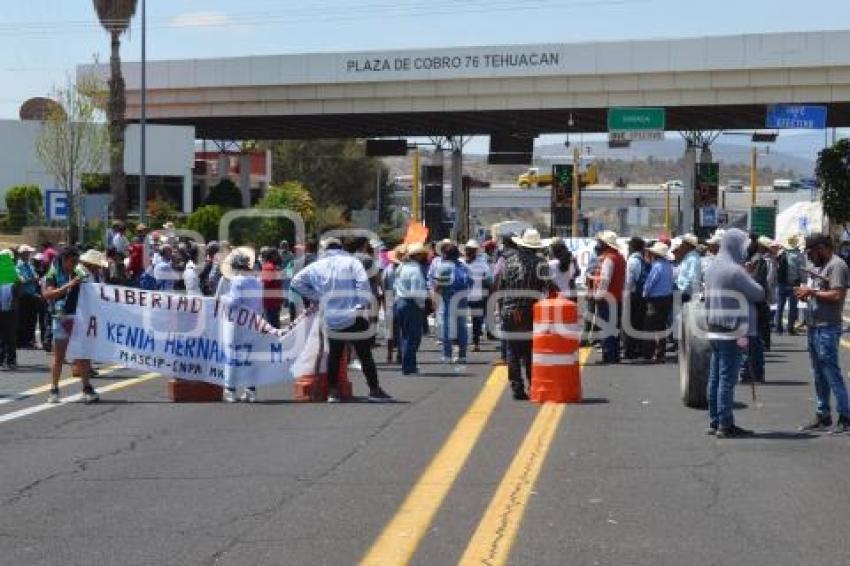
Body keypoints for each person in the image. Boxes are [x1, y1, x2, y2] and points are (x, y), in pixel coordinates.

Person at [290, 238, 392, 403]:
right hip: (353, 314)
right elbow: (363, 286)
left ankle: (333, 391)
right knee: (365, 355)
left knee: (334, 355)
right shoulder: (352, 263)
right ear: (341, 247)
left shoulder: (317, 266)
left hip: (331, 315)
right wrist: (361, 304)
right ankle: (374, 389)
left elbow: (296, 282)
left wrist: (317, 297)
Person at [703, 228, 764, 438]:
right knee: (727, 379)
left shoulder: (713, 267)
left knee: (715, 377)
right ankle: (725, 425)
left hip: (713, 327)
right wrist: (748, 274)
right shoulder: (735, 270)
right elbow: (758, 293)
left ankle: (715, 421)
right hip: (731, 328)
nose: (745, 251)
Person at [796, 234, 850, 433]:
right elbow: (821, 292)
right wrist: (807, 293)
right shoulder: (822, 266)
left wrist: (811, 293)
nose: (810, 256)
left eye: (811, 252)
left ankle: (845, 416)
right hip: (815, 327)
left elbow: (837, 295)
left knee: (831, 373)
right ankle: (823, 414)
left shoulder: (837, 266)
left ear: (821, 247)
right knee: (819, 374)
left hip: (827, 327)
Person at [498, 229, 550, 400]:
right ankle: (533, 384)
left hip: (509, 310)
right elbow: (547, 288)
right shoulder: (541, 263)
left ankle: (517, 388)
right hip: (529, 311)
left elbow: (501, 287)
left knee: (513, 350)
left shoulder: (509, 262)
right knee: (529, 350)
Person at [43, 247, 99, 404]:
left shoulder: (80, 272)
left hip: (79, 317)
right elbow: (48, 294)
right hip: (62, 318)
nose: (75, 265)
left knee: (82, 354)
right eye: (72, 261)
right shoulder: (53, 273)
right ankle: (54, 389)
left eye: (77, 261)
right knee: (59, 356)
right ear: (64, 259)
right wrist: (69, 285)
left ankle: (86, 388)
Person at [588, 231, 626, 364]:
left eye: (600, 243)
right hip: (617, 297)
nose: (597, 245)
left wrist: (597, 296)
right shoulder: (620, 257)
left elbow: (605, 280)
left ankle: (609, 355)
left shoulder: (608, 258)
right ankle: (614, 355)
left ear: (605, 244)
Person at [393, 243, 429, 375]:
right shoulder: (415, 270)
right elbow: (417, 291)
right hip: (412, 304)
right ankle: (409, 368)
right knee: (413, 337)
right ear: (418, 255)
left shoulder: (402, 267)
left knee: (406, 336)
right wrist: (421, 305)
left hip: (401, 302)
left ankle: (409, 365)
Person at [435, 242, 473, 366]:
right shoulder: (464, 266)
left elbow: (438, 286)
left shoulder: (444, 267)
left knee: (447, 327)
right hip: (462, 299)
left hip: (448, 299)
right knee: (462, 327)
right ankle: (462, 355)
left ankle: (447, 355)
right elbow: (471, 283)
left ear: (446, 255)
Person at [739, 235, 770, 382]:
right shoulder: (754, 260)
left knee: (751, 340)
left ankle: (749, 372)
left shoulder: (758, 261)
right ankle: (756, 372)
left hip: (755, 304)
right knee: (755, 341)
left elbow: (755, 284)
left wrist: (746, 274)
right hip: (756, 303)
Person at [642, 242, 674, 363]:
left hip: (655, 299)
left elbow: (650, 283)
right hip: (666, 298)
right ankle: (660, 352)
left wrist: (645, 294)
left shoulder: (657, 266)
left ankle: (649, 353)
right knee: (661, 326)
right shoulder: (668, 266)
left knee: (650, 326)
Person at [464, 239, 493, 352]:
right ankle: (474, 343)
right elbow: (489, 279)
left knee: (473, 321)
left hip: (467, 296)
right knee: (476, 320)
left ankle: (472, 343)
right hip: (475, 295)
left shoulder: (461, 263)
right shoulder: (482, 264)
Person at [623, 237, 649, 360]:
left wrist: (625, 294)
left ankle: (629, 351)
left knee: (630, 323)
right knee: (638, 323)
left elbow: (629, 280)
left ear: (633, 247)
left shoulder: (632, 261)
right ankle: (638, 348)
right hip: (641, 295)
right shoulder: (642, 259)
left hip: (633, 295)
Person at [775, 236, 803, 334]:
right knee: (793, 307)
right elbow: (801, 270)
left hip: (782, 282)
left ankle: (778, 328)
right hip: (794, 283)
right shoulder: (799, 255)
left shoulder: (781, 253)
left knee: (780, 306)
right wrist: (803, 282)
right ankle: (790, 328)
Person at [382, 244, 404, 364]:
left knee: (390, 330)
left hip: (390, 299)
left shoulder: (387, 270)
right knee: (401, 329)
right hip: (401, 299)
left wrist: (384, 303)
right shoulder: (405, 269)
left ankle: (389, 354)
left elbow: (384, 287)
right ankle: (400, 353)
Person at [16, 244, 40, 349]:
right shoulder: (19, 266)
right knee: (23, 319)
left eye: (29, 253)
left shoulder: (29, 265)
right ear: (22, 254)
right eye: (27, 253)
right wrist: (32, 279)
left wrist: (33, 278)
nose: (29, 255)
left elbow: (36, 277)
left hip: (32, 294)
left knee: (32, 319)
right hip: (24, 295)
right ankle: (22, 341)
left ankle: (29, 340)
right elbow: (23, 280)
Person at [0, 250, 20, 369]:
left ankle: (4, 358)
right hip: (11, 307)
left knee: (3, 334)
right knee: (10, 334)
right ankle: (10, 359)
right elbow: (18, 290)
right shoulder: (14, 272)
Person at [673, 234, 702, 302]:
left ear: (688, 245)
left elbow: (692, 278)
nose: (681, 245)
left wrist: (682, 291)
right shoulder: (688, 257)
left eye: (683, 243)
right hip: (683, 293)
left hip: (686, 294)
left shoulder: (693, 259)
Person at [260, 247, 284, 329]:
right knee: (273, 326)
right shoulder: (269, 267)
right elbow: (264, 283)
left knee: (273, 325)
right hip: (271, 303)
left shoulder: (271, 266)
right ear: (272, 256)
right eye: (276, 255)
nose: (278, 256)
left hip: (273, 302)